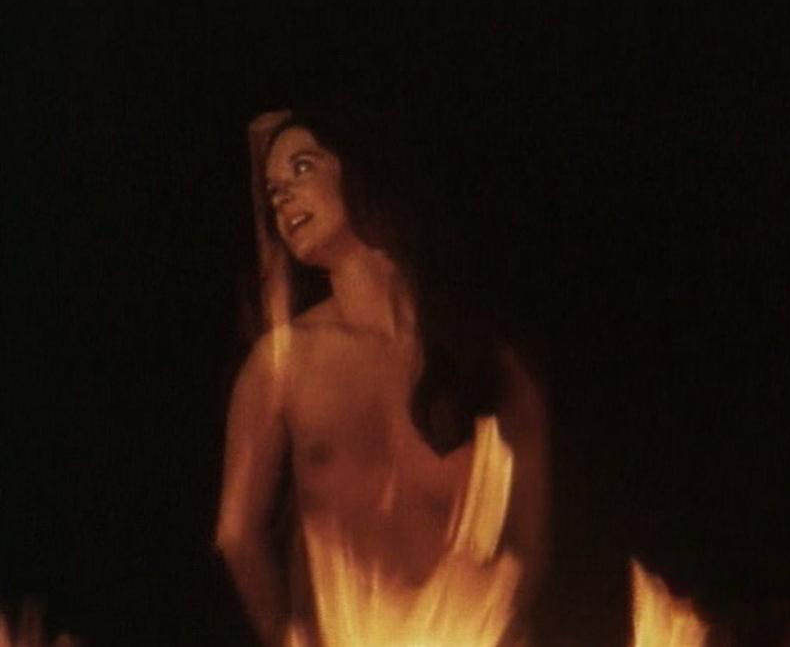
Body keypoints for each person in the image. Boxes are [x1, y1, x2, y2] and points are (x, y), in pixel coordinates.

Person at [215, 102, 549, 647]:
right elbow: (237, 534)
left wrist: (481, 623)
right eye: (273, 190)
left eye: (302, 167)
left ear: (366, 171)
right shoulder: (282, 365)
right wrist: (286, 635)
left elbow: (526, 544)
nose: (282, 197)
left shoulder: (487, 359)